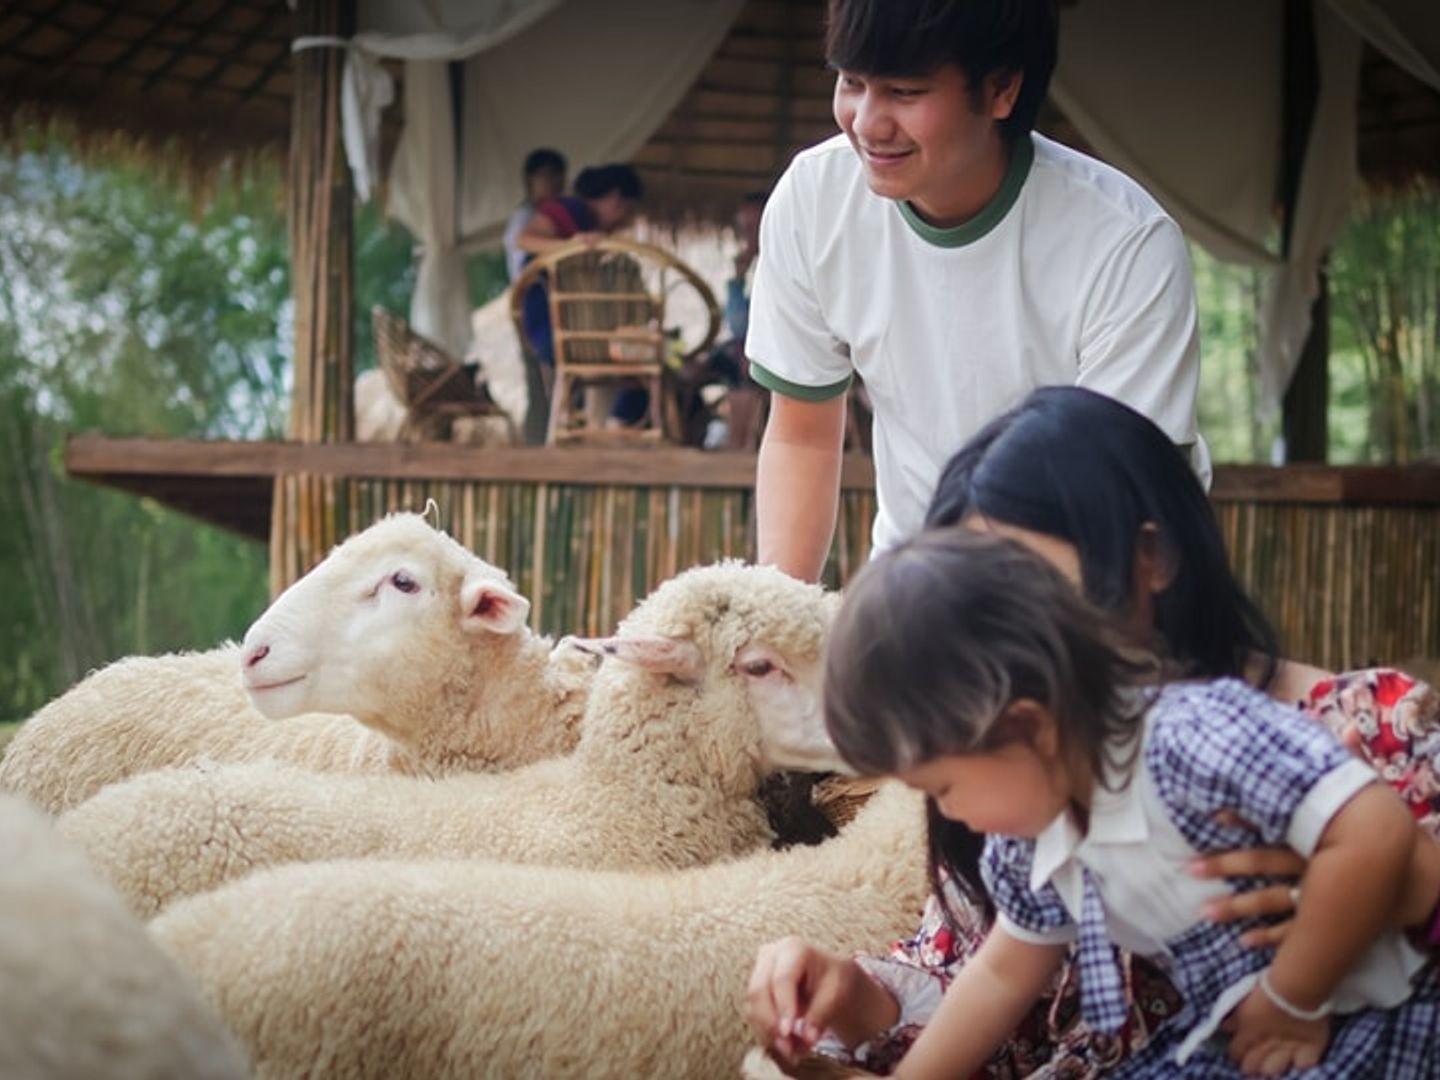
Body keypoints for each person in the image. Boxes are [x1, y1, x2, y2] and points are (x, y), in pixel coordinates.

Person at [746, 388, 1440, 1076]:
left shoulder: (1353, 736)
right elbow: (982, 978)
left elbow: (1386, 856)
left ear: (1153, 558)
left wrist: (1367, 908)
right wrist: (853, 995)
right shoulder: (1010, 784)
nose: (995, 644)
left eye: (1026, 591)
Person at [747, 0, 1206, 583]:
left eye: (905, 92)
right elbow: (803, 437)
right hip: (917, 592)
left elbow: (1118, 501)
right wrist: (777, 627)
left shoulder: (1125, 244)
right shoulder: (815, 199)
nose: (866, 122)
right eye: (852, 82)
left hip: (1100, 597)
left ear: (1002, 89)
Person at [515, 163, 645, 441]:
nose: (624, 220)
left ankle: (596, 433)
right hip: (552, 324)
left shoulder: (593, 227)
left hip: (582, 325)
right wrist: (574, 244)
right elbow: (525, 240)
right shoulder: (570, 211)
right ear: (614, 198)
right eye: (626, 210)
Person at [503, 148, 567, 283]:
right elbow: (521, 244)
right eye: (548, 175)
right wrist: (570, 246)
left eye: (559, 176)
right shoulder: (524, 216)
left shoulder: (560, 212)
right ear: (530, 179)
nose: (555, 182)